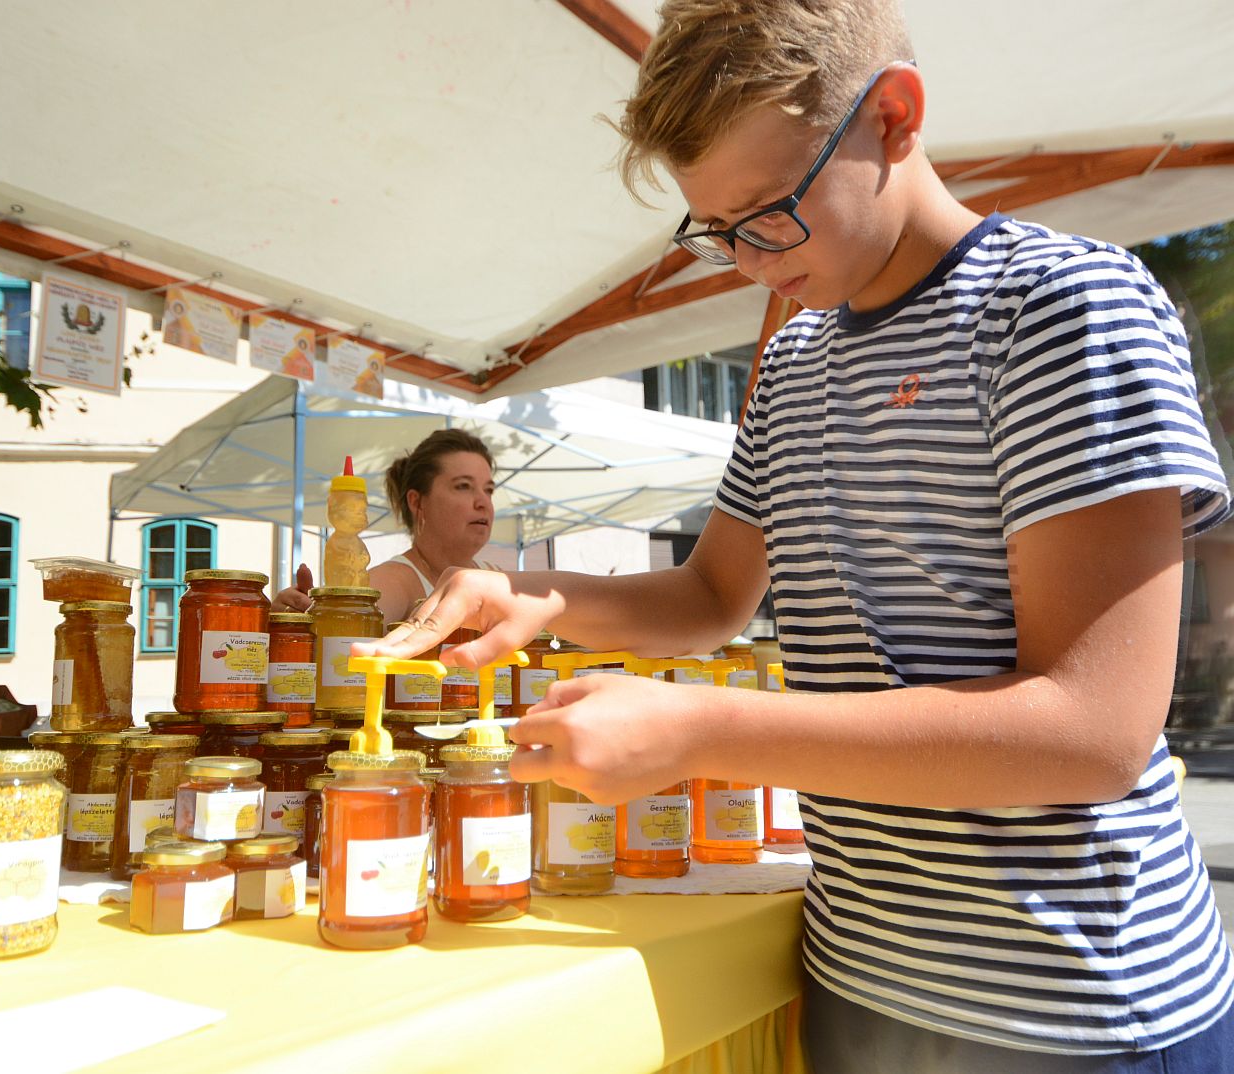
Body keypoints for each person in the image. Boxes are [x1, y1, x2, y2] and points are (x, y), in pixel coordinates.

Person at [366, 2, 1234, 1070]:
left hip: (1070, 1006)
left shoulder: (1060, 309)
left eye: (768, 213)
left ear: (894, 118)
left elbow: (1090, 733)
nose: (742, 262)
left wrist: (699, 731)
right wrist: (536, 596)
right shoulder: (797, 358)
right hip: (854, 967)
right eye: (713, 229)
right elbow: (709, 597)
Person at [276, 429, 499, 624]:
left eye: (488, 490)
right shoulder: (397, 580)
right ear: (416, 501)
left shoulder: (495, 574)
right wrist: (304, 617)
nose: (483, 502)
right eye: (463, 486)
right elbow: (352, 622)